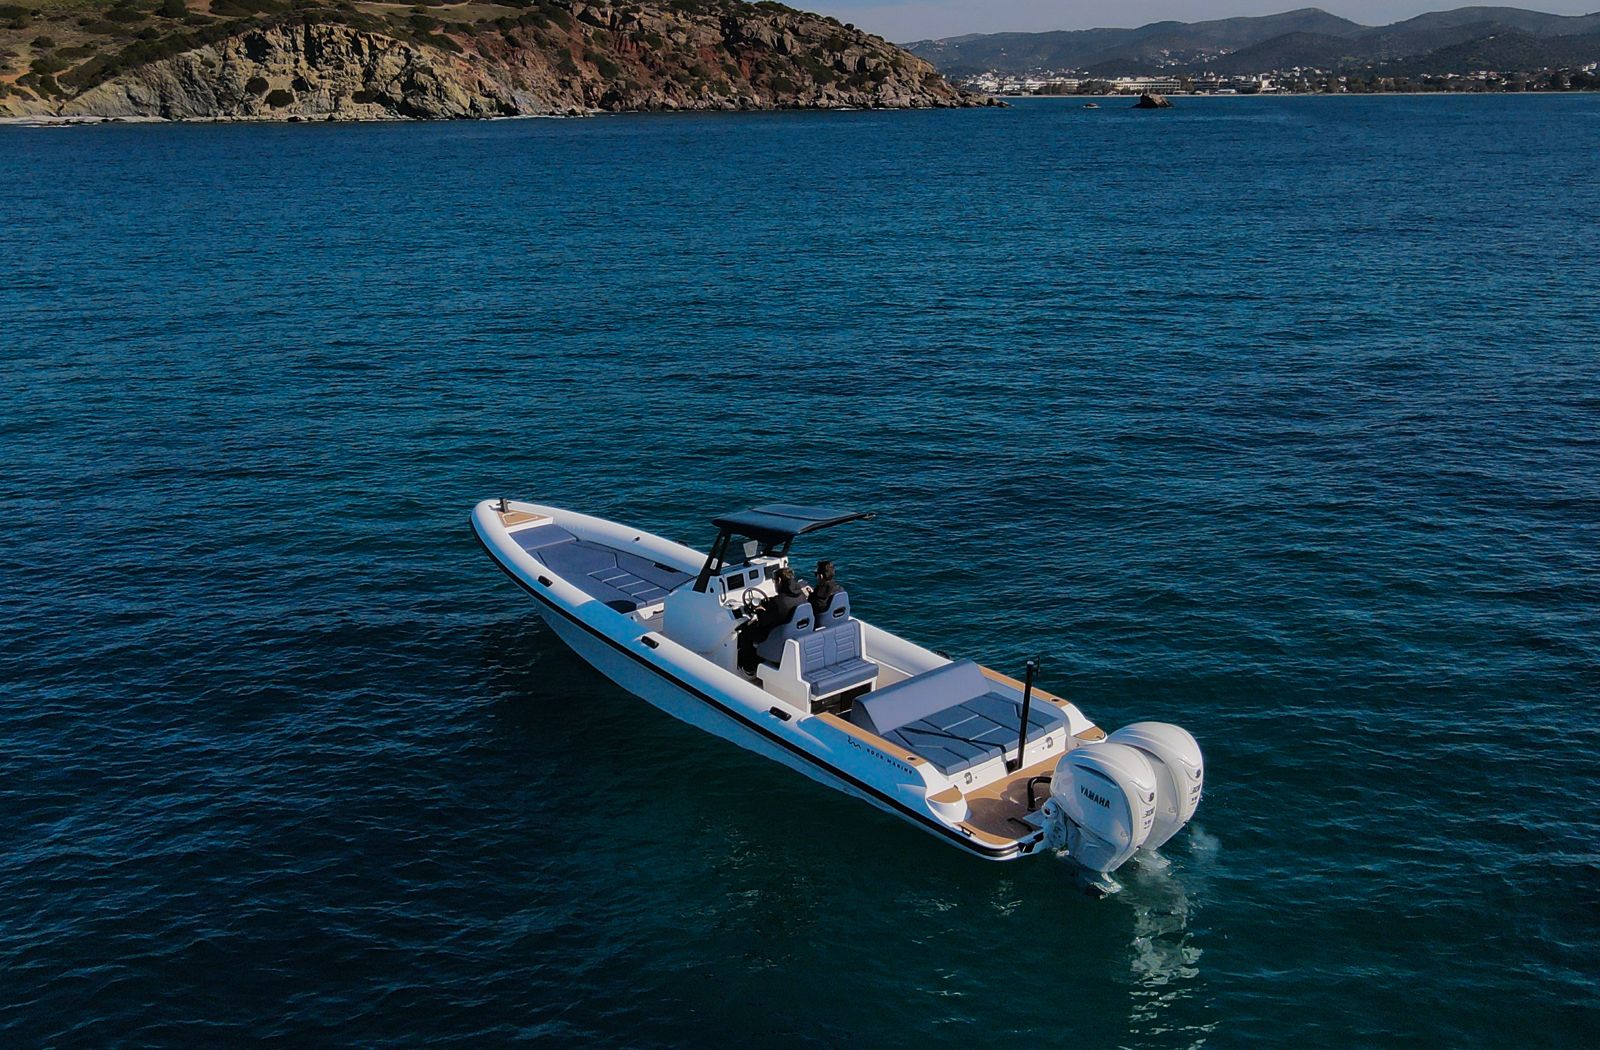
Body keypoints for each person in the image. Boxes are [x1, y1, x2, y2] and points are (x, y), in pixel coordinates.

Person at [739, 567, 808, 673]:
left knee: (745, 632)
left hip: (777, 636)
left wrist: (759, 610)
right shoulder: (801, 596)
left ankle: (749, 667)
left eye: (774, 581)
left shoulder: (779, 602)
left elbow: (763, 622)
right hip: (794, 633)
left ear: (779, 581)